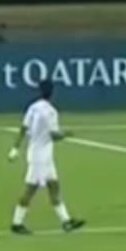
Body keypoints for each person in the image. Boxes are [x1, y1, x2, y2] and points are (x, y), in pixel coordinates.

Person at [7, 80, 85, 235]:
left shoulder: (33, 107)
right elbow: (54, 136)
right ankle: (17, 223)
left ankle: (66, 222)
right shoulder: (50, 112)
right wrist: (67, 134)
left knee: (54, 186)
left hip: (38, 154)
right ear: (53, 92)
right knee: (30, 190)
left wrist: (15, 148)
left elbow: (23, 128)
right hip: (41, 158)